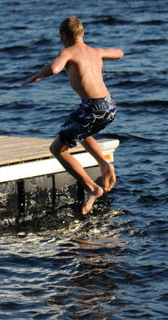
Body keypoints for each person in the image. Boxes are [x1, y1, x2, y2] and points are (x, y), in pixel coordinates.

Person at [22, 17, 123, 215]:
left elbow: (54, 69)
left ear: (64, 36)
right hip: (109, 105)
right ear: (81, 34)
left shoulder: (67, 52)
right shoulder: (95, 51)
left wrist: (34, 77)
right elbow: (119, 53)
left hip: (92, 108)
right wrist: (102, 55)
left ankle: (92, 188)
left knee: (58, 149)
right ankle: (104, 165)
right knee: (81, 132)